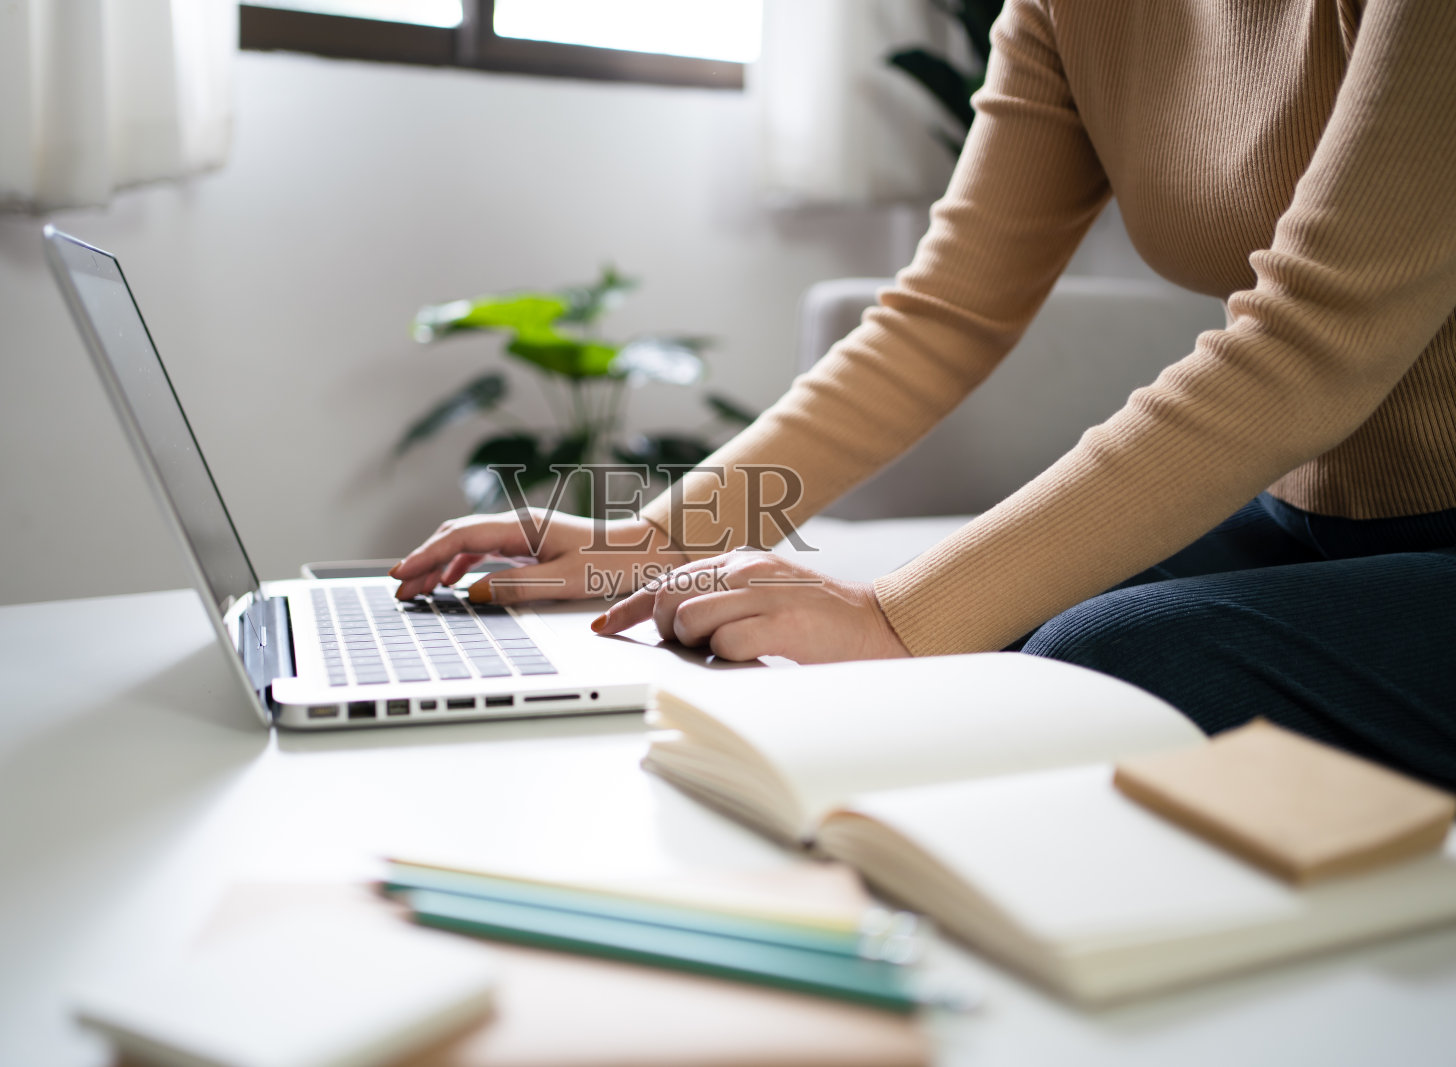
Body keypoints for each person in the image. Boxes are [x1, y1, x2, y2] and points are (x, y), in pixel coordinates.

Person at [391, 0, 1456, 791]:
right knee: (995, 642)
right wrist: (658, 535)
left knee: (1104, 660)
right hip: (1316, 517)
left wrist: (894, 613)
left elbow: (1315, 337)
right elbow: (944, 310)